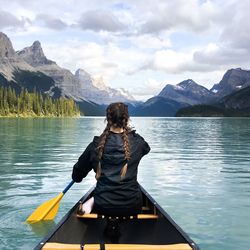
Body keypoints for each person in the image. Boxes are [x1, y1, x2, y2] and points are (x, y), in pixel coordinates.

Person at [72, 102, 150, 216]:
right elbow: (146, 148)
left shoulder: (95, 145)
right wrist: (130, 132)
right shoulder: (137, 143)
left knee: (97, 198)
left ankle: (90, 203)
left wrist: (80, 173)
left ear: (107, 120)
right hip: (132, 205)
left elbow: (76, 177)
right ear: (127, 120)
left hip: (103, 205)